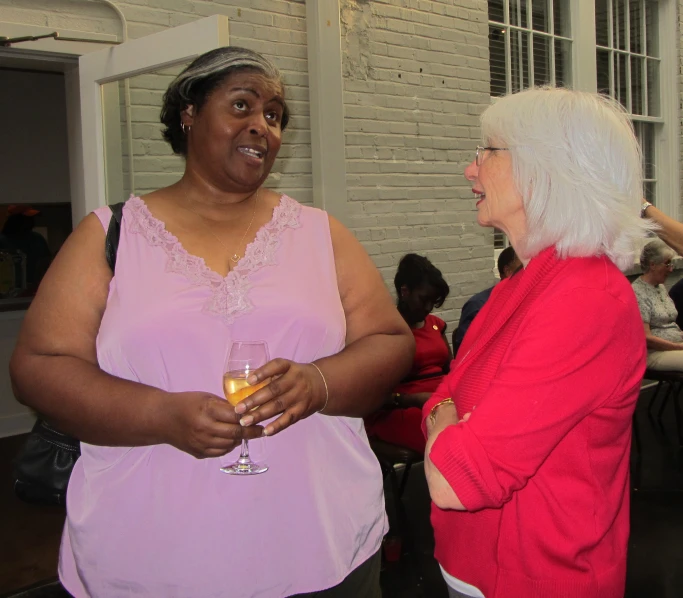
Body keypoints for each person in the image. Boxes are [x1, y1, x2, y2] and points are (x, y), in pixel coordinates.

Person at [9, 47, 414, 598]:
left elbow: (389, 341)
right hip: (150, 557)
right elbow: (39, 365)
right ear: (189, 113)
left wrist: (318, 384)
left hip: (321, 542)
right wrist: (161, 415)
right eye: (242, 105)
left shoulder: (320, 233)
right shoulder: (111, 235)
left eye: (273, 115)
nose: (261, 127)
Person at [422, 88, 649, 598]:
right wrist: (449, 419)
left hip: (537, 580)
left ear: (546, 168)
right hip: (473, 567)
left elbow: (455, 479)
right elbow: (443, 401)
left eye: (488, 152)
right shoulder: (520, 287)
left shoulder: (586, 299)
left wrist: (448, 418)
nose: (470, 170)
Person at [364, 253, 452, 453]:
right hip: (399, 407)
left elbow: (450, 370)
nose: (429, 307)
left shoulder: (436, 325)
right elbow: (373, 392)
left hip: (439, 401)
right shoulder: (385, 328)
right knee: (447, 433)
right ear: (405, 291)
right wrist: (412, 399)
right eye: (424, 299)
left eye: (434, 301)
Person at [451, 246, 520, 356]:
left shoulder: (526, 301)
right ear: (508, 272)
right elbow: (466, 351)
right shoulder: (478, 305)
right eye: (524, 269)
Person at [632, 240, 683, 371]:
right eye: (667, 264)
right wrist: (678, 346)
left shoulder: (660, 287)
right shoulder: (638, 292)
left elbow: (671, 324)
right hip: (654, 353)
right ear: (652, 264)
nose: (671, 269)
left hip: (675, 345)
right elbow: (646, 338)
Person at [0, 204, 52, 292]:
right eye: (27, 219)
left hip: (36, 288)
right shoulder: (2, 240)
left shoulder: (37, 238)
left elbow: (46, 262)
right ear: (16, 220)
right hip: (8, 290)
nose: (32, 221)